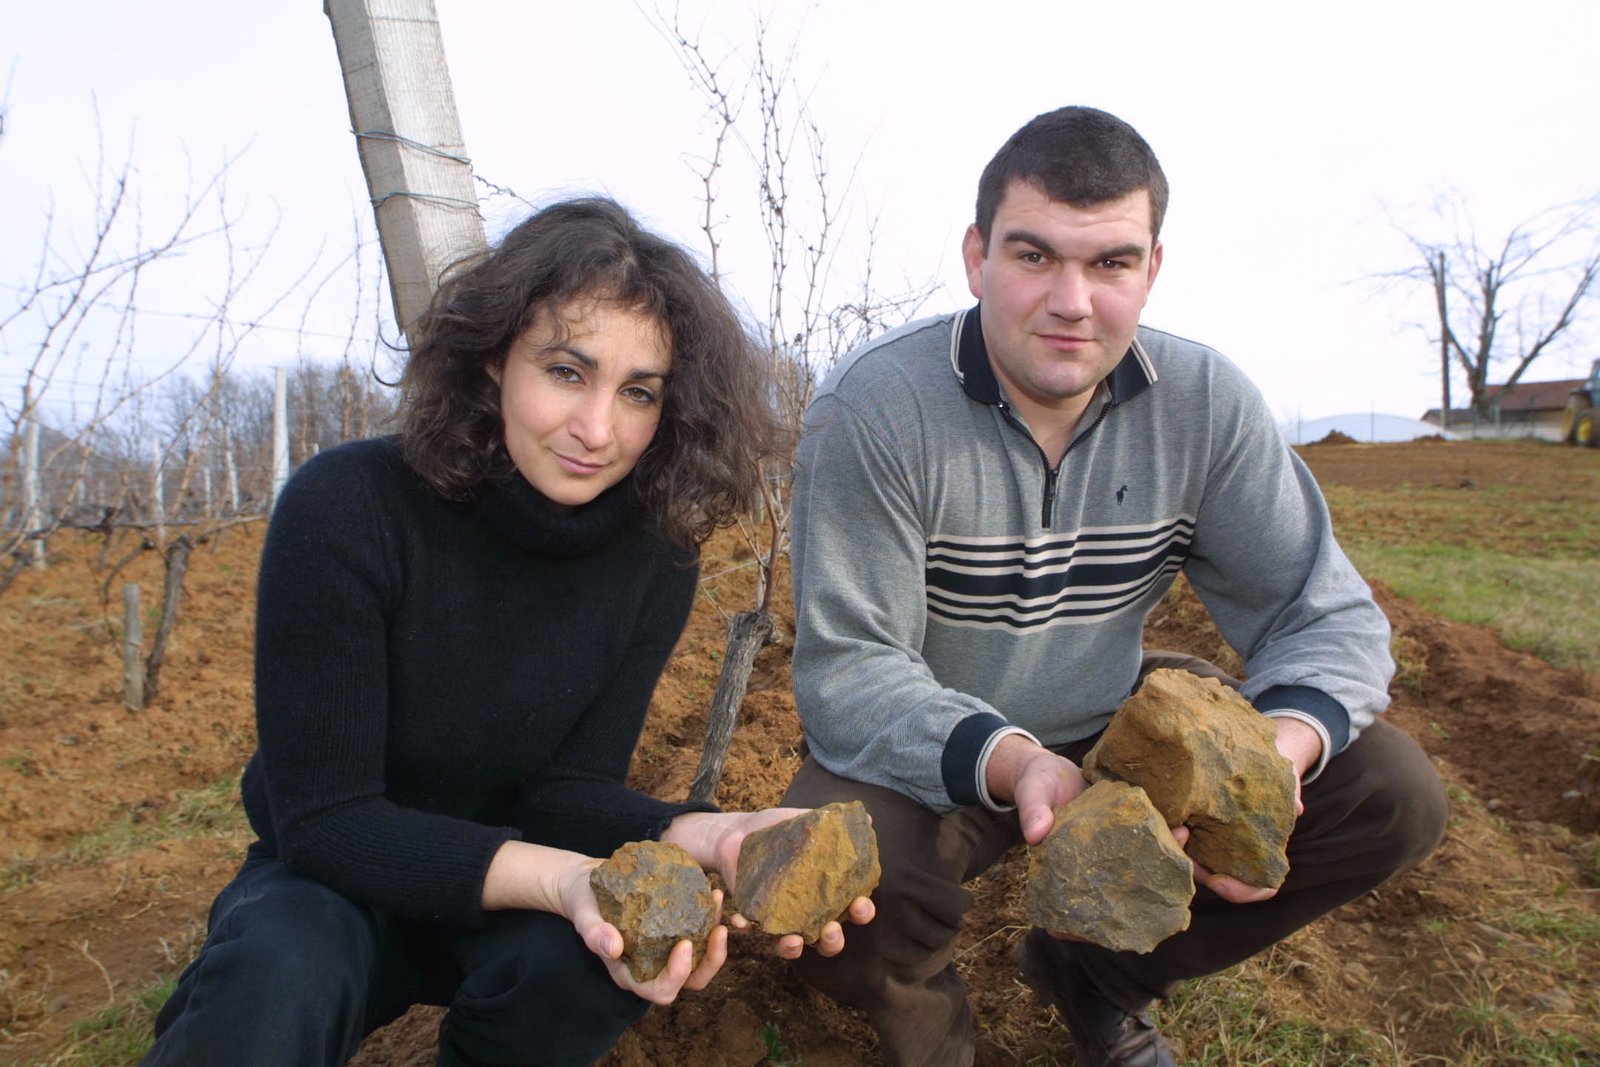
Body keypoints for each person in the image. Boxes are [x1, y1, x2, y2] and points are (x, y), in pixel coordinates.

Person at [780, 107, 1449, 1067]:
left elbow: (1324, 613)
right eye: (1034, 255)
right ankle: (934, 1038)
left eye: (1110, 264)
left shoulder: (1204, 404)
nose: (1071, 300)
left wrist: (1273, 759)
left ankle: (1095, 975)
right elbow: (851, 668)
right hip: (929, 744)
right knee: (844, 884)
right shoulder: (877, 409)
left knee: (1391, 790)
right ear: (976, 257)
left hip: (1112, 719)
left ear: (1152, 271)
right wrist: (1012, 762)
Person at [143, 197, 871, 1067]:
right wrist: (564, 879)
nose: (598, 429)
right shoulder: (350, 507)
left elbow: (568, 790)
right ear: (493, 358)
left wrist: (699, 833)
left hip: (506, 887)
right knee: (281, 969)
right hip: (330, 883)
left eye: (638, 392)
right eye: (567, 371)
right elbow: (326, 820)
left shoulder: (656, 558)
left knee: (586, 962)